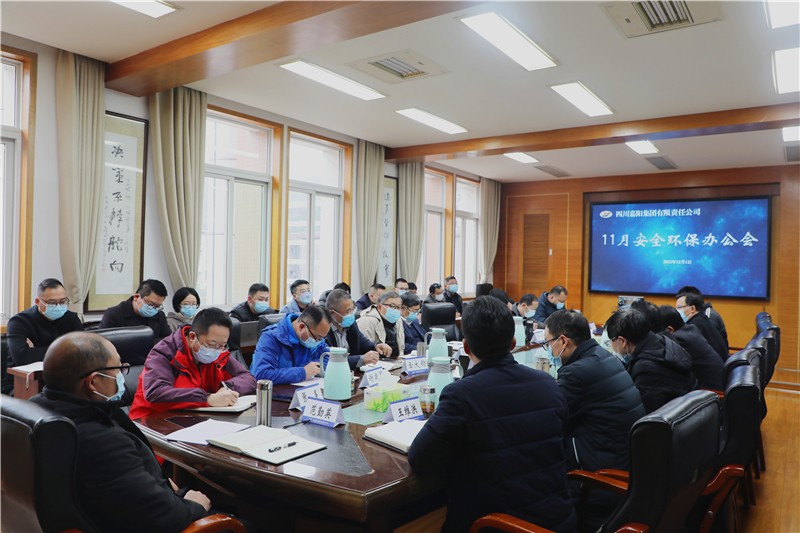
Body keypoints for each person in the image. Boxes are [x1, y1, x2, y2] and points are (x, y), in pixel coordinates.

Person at [408, 297, 576, 533]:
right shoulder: (548, 383)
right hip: (558, 521)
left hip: (497, 526)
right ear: (513, 343)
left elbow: (420, 459)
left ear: (466, 347)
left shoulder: (461, 394)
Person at [30, 332, 211, 532]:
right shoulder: (102, 441)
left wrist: (153, 481)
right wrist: (196, 505)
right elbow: (162, 518)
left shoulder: (34, 410)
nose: (122, 375)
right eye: (118, 368)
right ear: (93, 383)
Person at [544, 310, 645, 530]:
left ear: (563, 341)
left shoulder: (577, 373)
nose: (548, 349)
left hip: (598, 480)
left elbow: (548, 421)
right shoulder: (603, 356)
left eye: (548, 343)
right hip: (624, 464)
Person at [129, 308, 256, 420]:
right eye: (211, 344)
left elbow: (248, 379)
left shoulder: (219, 352)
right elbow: (156, 392)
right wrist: (207, 398)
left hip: (194, 418)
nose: (216, 350)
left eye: (222, 345)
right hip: (152, 420)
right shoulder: (164, 353)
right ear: (192, 337)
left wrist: (226, 387)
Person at [605, 308, 696, 414]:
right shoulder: (663, 340)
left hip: (673, 418)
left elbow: (646, 413)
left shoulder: (646, 368)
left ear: (622, 341)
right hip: (689, 411)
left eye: (611, 340)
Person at [6, 278, 83, 371]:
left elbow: (82, 352)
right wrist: (66, 349)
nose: (58, 306)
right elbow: (23, 358)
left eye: (63, 301)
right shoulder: (19, 322)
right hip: (24, 377)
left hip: (62, 374)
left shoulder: (72, 319)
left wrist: (36, 350)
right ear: (38, 302)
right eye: (52, 303)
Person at [251, 305, 330, 384]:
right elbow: (262, 374)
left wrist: (315, 368)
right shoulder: (270, 338)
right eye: (318, 338)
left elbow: (327, 357)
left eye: (322, 338)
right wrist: (302, 372)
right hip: (277, 391)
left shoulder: (314, 336)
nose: (319, 341)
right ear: (301, 327)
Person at [660, 305, 724, 391]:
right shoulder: (690, 329)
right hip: (719, 382)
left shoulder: (680, 339)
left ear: (669, 330)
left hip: (713, 390)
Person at [323, 289, 390, 368]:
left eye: (352, 309)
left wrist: (376, 346)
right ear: (332, 313)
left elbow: (361, 341)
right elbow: (330, 360)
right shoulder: (322, 329)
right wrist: (360, 359)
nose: (351, 314)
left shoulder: (350, 323)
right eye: (348, 311)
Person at [99, 279, 171, 340]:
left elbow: (167, 341)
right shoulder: (114, 315)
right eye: (151, 304)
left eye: (158, 306)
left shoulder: (159, 316)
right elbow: (103, 345)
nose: (154, 309)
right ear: (136, 297)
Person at [675, 290, 728, 360]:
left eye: (679, 307)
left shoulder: (694, 326)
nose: (676, 311)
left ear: (692, 308)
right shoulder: (702, 319)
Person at [356, 291, 405, 357]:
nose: (396, 310)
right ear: (379, 307)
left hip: (395, 360)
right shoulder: (366, 322)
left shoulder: (398, 320)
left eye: (398, 307)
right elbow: (365, 350)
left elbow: (401, 347)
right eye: (392, 306)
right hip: (376, 361)